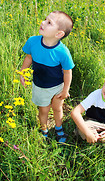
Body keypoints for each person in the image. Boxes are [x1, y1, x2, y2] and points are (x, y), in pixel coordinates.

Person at [20, 11, 75, 143]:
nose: (43, 22)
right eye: (45, 19)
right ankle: (44, 129)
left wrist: (65, 90)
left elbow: (67, 72)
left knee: (57, 108)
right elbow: (29, 57)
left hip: (57, 87)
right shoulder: (33, 41)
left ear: (59, 34)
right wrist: (23, 73)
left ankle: (58, 128)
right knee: (43, 110)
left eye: (49, 22)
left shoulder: (62, 52)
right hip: (40, 85)